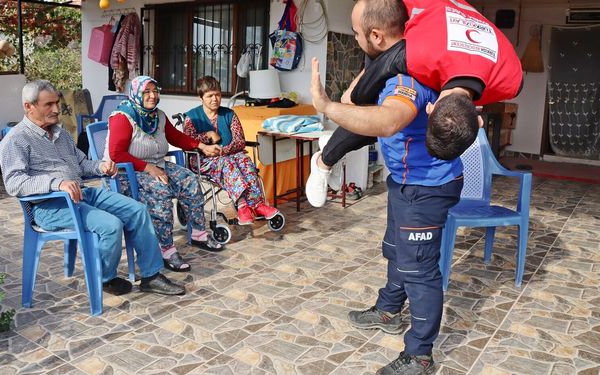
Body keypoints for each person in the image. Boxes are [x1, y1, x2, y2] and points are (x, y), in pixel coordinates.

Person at [309, 1, 480, 373]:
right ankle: (388, 310)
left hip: (425, 188)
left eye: (356, 33)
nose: (354, 39)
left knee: (420, 270)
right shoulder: (395, 64)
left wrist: (325, 105)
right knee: (396, 249)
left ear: (376, 35)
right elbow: (363, 95)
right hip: (406, 180)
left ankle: (419, 354)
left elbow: (386, 121)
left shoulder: (406, 79)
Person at [305, 0, 522, 208]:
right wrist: (352, 95)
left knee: (393, 119)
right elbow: (383, 63)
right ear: (478, 121)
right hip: (412, 18)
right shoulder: (418, 54)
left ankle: (327, 153)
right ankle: (323, 162)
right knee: (371, 105)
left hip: (441, 28)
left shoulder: (511, 80)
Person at [0, 79, 184, 297]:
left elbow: (82, 164)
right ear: (28, 107)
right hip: (51, 205)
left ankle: (151, 276)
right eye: (48, 105)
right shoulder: (17, 139)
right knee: (111, 225)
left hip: (83, 193)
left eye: (56, 103)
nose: (57, 109)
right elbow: (14, 182)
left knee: (137, 210)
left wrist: (102, 167)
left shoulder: (61, 134)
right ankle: (105, 278)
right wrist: (56, 183)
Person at [105, 76, 224, 273]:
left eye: (155, 90)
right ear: (136, 93)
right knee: (160, 191)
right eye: (146, 92)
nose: (152, 96)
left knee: (190, 180)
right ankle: (166, 249)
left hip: (157, 164)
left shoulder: (157, 115)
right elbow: (116, 155)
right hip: (128, 173)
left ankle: (198, 233)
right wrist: (148, 168)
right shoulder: (123, 116)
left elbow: (175, 136)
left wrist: (201, 145)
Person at [183, 76, 280, 225]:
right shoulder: (192, 117)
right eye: (209, 96)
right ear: (200, 97)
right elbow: (188, 142)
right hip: (202, 160)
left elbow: (240, 140)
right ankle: (242, 206)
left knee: (245, 161)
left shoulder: (229, 114)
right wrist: (208, 136)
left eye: (218, 95)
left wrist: (223, 150)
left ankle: (257, 205)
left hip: (229, 155)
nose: (215, 99)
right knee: (227, 163)